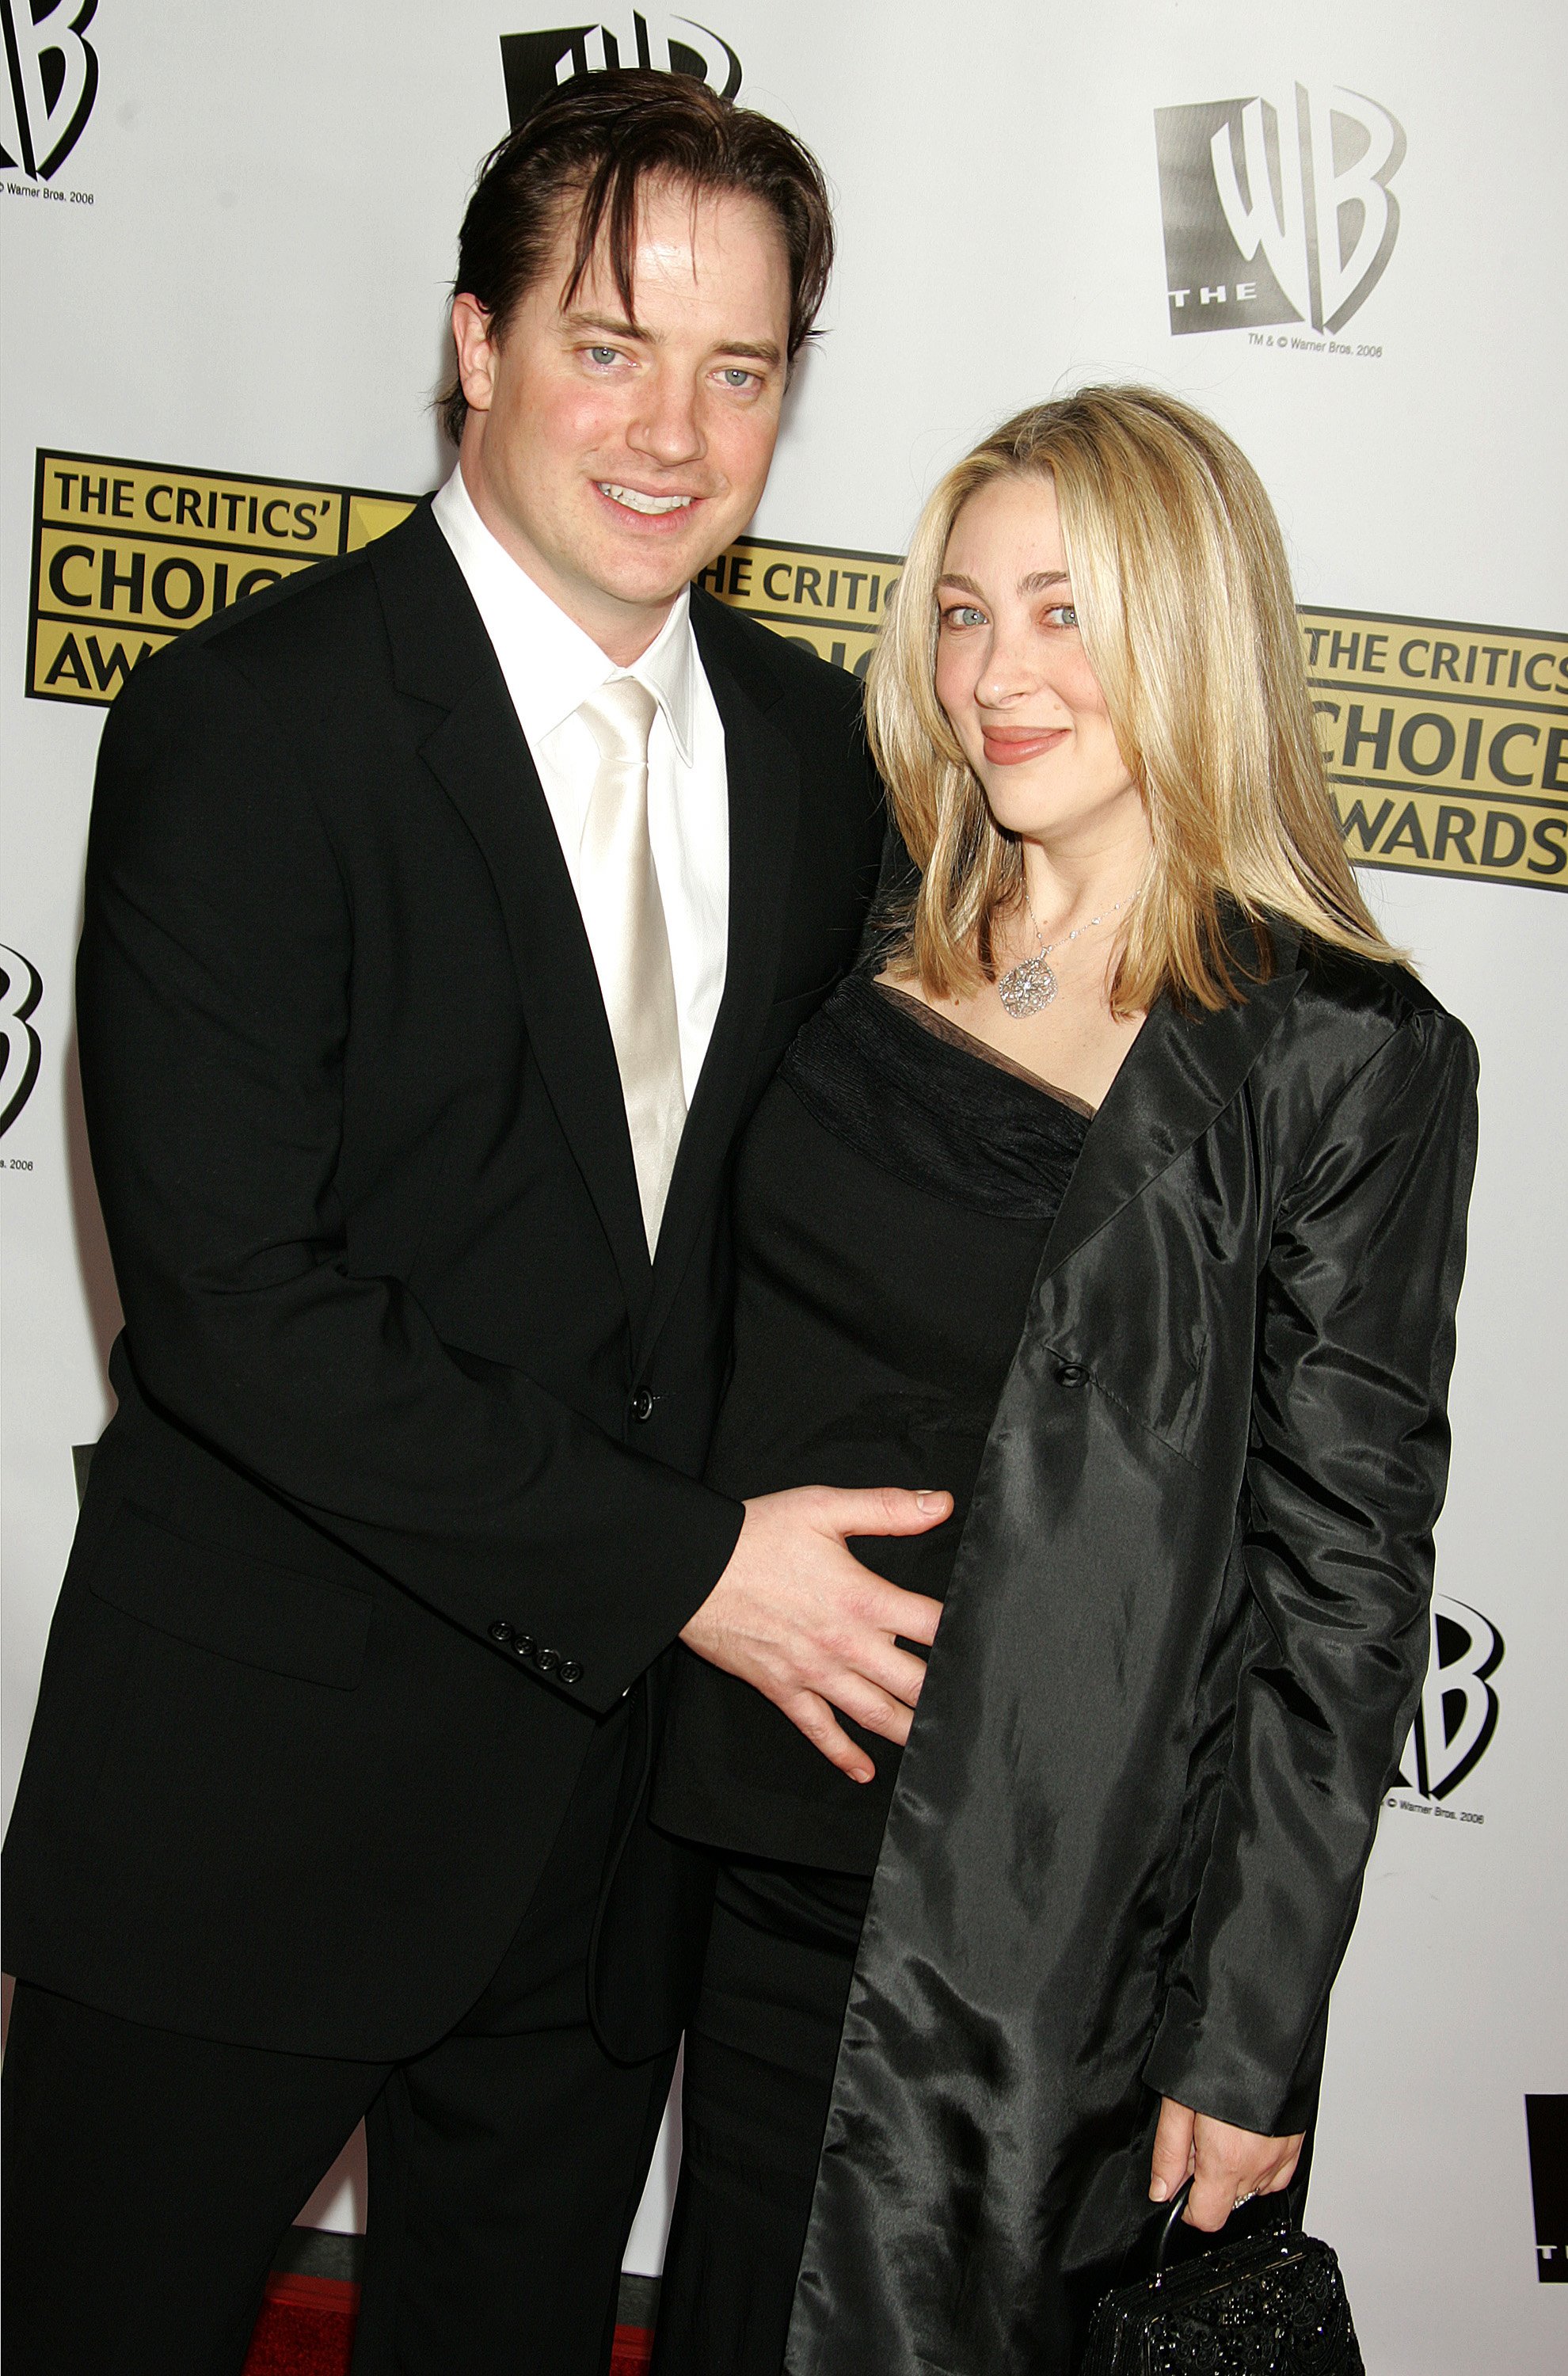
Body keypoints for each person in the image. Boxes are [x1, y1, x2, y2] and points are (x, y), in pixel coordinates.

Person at [1, 70, 953, 2376]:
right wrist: (699, 1567)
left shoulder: (825, 755)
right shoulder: (253, 722)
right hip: (255, 1802)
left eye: (739, 370)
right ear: (475, 342)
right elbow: (233, 1310)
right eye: (611, 344)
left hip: (613, 1840)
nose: (674, 430)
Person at [649, 385, 1480, 2374]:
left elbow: (1346, 1590)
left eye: (1060, 613)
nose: (993, 676)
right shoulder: (866, 923)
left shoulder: (1338, 1055)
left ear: (1190, 634)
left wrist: (1253, 2027)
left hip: (1042, 1942)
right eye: (958, 613)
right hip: (730, 1845)